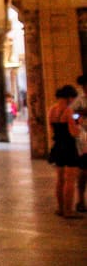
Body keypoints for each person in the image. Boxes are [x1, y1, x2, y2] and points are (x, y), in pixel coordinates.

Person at [48, 84, 81, 218]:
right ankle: (69, 210)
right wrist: (78, 124)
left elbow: (52, 129)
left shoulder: (52, 110)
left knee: (60, 179)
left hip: (58, 146)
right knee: (70, 180)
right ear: (69, 97)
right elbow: (74, 132)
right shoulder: (68, 111)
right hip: (69, 147)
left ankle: (60, 208)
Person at [72, 75, 87, 213]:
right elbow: (72, 115)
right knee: (83, 171)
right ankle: (80, 200)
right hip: (84, 138)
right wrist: (80, 114)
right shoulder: (78, 99)